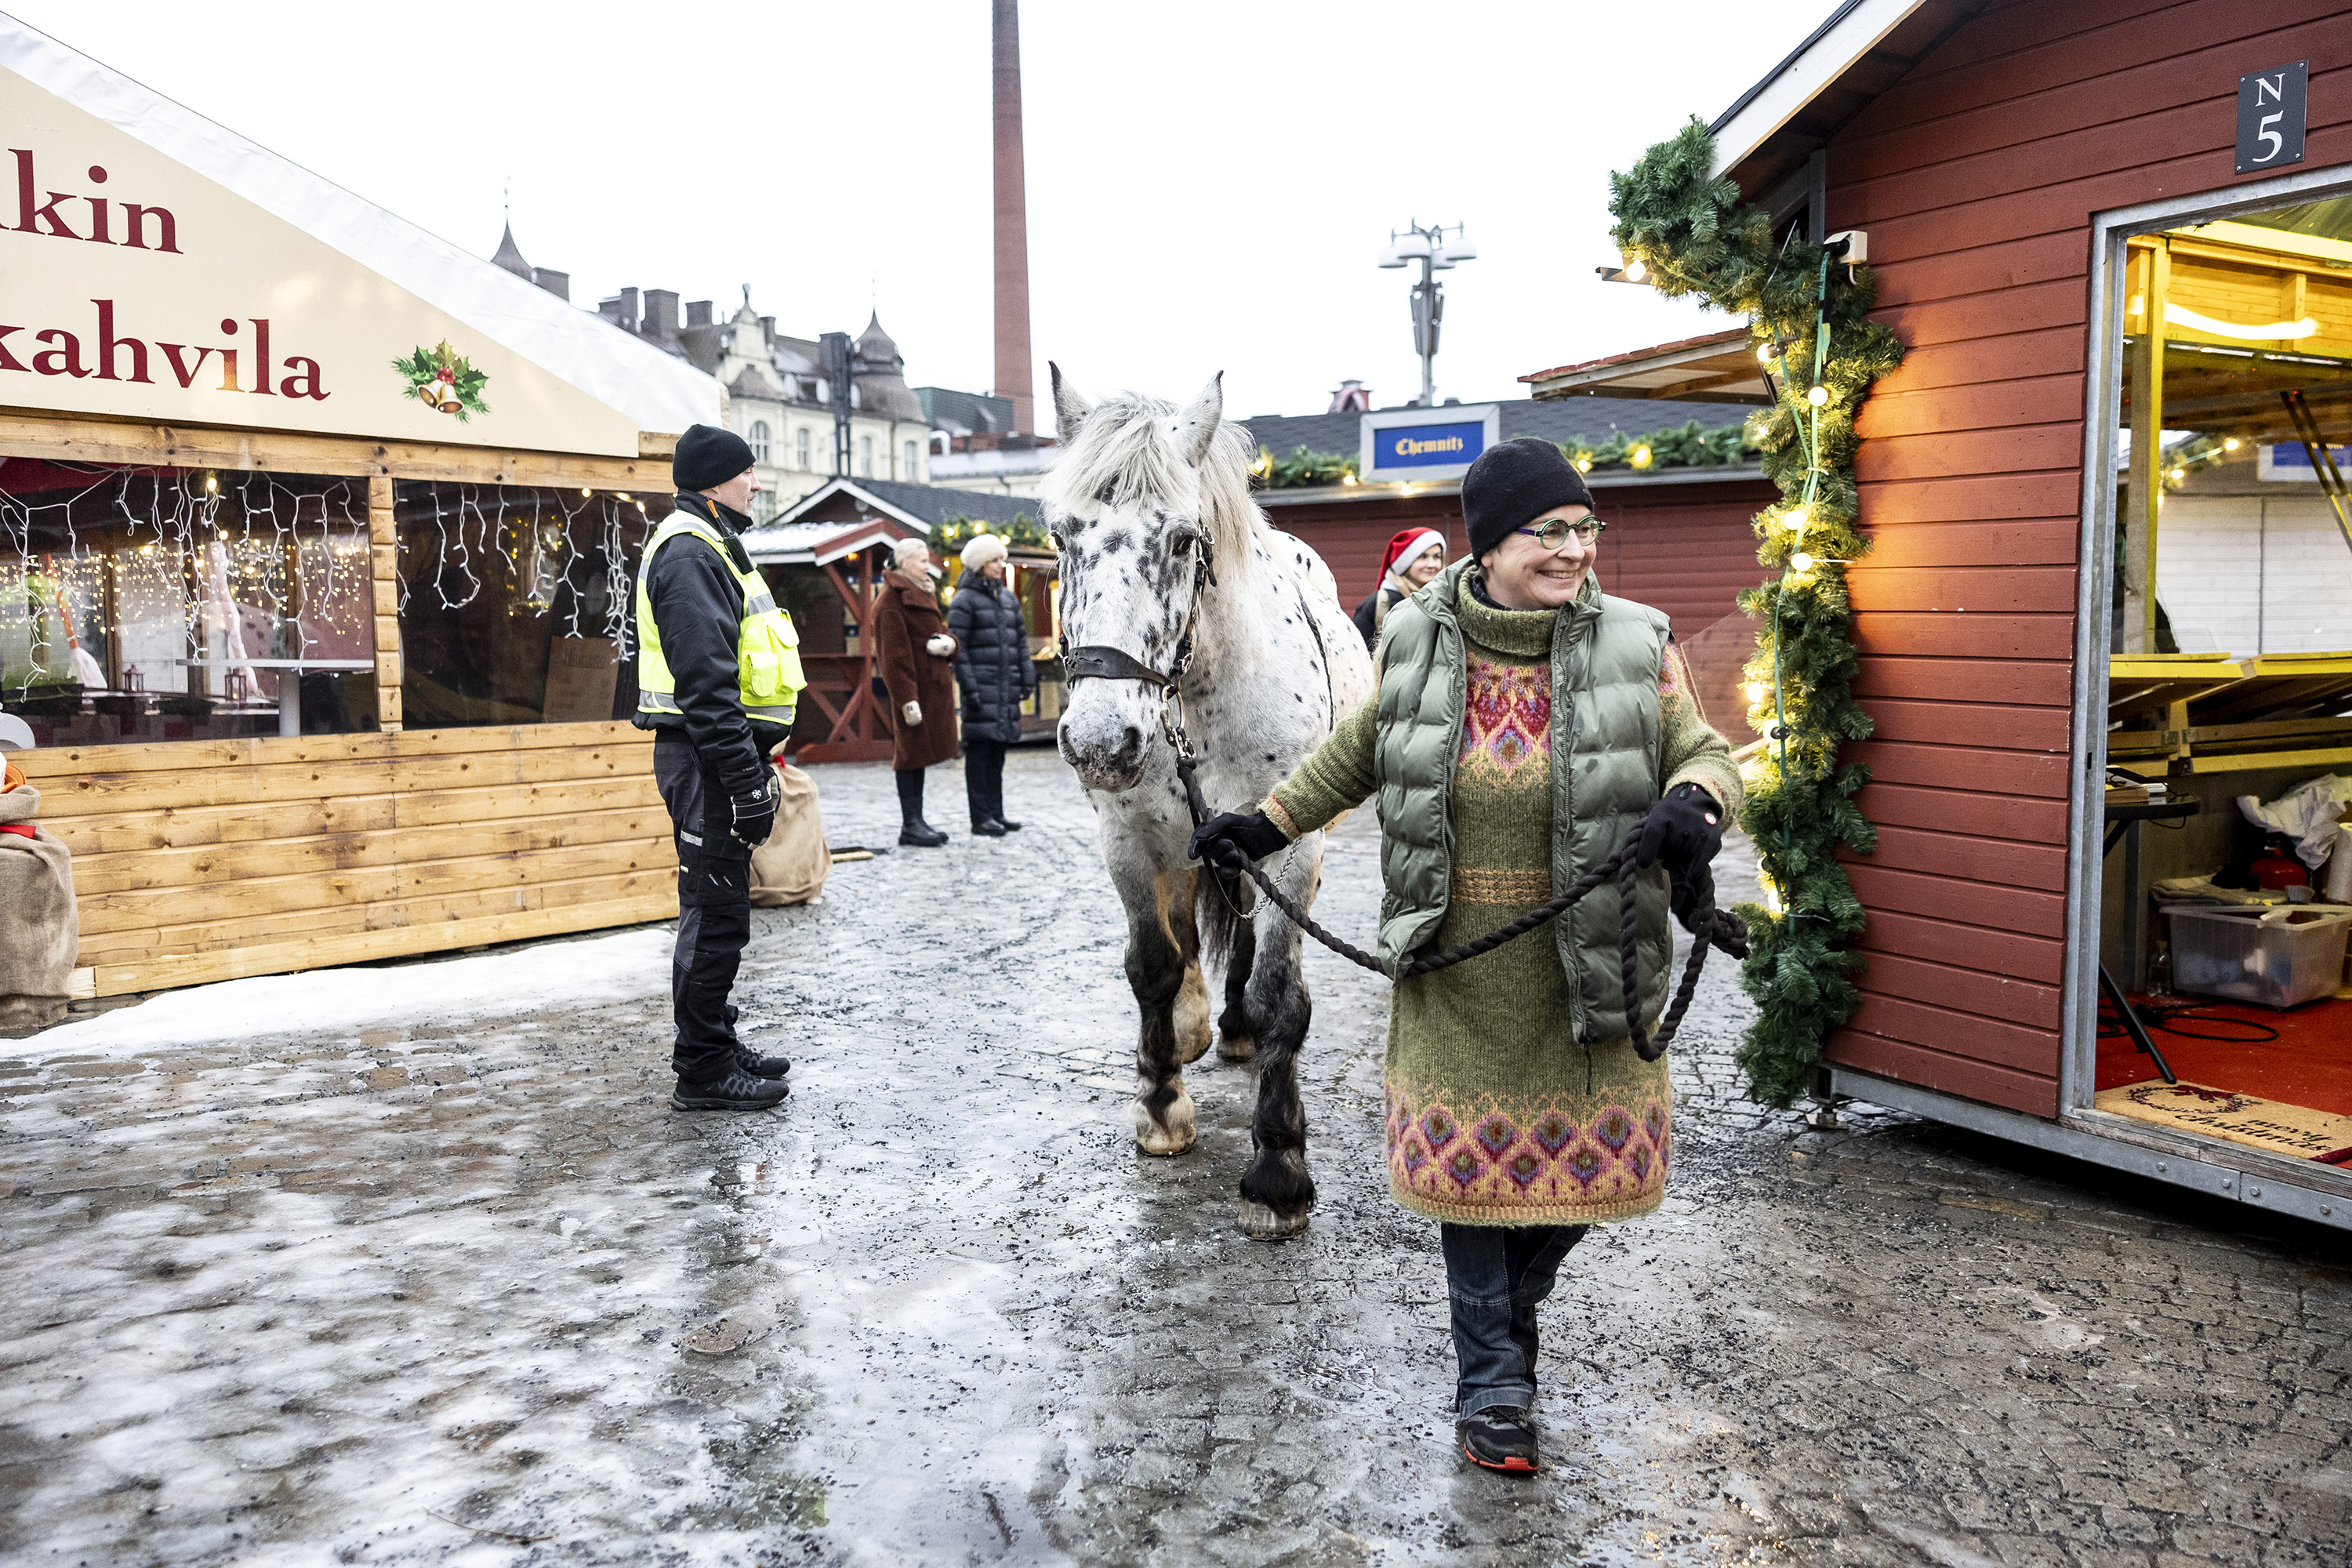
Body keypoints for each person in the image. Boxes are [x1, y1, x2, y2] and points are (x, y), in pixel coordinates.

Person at [1189, 437, 1740, 1475]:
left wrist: (1694, 804)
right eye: (1549, 531)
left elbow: (1703, 750)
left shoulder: (1639, 640)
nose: (1574, 549)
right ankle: (1494, 1381)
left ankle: (1507, 1320)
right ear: (1489, 547)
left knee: (1586, 1186)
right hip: (1457, 963)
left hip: (1591, 960)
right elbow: (1361, 749)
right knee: (1471, 1186)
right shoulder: (1414, 638)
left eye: (1585, 528)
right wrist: (1264, 823)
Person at [633, 423, 807, 1113]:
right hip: (705, 759)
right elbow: (707, 689)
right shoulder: (689, 551)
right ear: (714, 481)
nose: (756, 483)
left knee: (720, 908)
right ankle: (702, 1070)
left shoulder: (712, 543)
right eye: (747, 471)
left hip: (715, 758)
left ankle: (715, 1039)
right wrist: (744, 783)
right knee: (714, 914)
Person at [946, 533, 1037, 837]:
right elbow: (958, 650)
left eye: (1001, 559)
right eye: (995, 560)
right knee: (979, 754)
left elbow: (1020, 643)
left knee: (998, 753)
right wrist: (970, 688)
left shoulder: (1008, 599)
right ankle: (981, 818)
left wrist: (1027, 676)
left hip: (1005, 689)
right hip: (981, 690)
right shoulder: (964, 601)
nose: (1001, 565)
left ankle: (996, 813)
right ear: (980, 564)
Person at [873, 535, 960, 847]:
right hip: (914, 693)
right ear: (905, 562)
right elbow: (893, 659)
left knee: (918, 755)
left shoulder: (922, 591)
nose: (927, 567)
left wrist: (949, 644)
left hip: (931, 688)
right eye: (923, 561)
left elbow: (936, 631)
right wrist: (907, 700)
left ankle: (916, 820)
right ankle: (910, 824)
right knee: (909, 755)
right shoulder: (890, 602)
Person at [1351, 526, 1448, 650]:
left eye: (1437, 557)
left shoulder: (1446, 600)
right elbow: (1356, 653)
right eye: (1423, 557)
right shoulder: (1380, 603)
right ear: (1405, 563)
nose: (1431, 564)